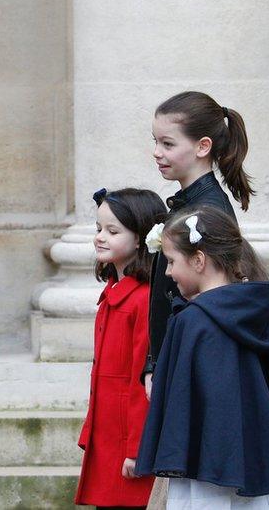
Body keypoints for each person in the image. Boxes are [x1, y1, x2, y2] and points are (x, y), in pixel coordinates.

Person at [135, 207, 269, 507]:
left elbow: (180, 400)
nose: (167, 272)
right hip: (257, 465)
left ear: (199, 260)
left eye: (171, 261)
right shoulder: (252, 310)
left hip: (204, 472)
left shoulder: (193, 322)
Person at [143, 91, 254, 397]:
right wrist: (153, 363)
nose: (156, 152)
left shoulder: (207, 211)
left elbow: (211, 298)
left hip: (193, 361)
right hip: (176, 356)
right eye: (155, 141)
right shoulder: (187, 204)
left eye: (168, 143)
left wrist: (161, 365)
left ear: (203, 146)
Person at [74, 188, 163, 509]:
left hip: (128, 442)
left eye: (113, 231)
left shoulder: (142, 299)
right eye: (98, 229)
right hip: (109, 438)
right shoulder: (113, 294)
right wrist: (91, 432)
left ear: (140, 238)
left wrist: (138, 449)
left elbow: (143, 382)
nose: (100, 237)